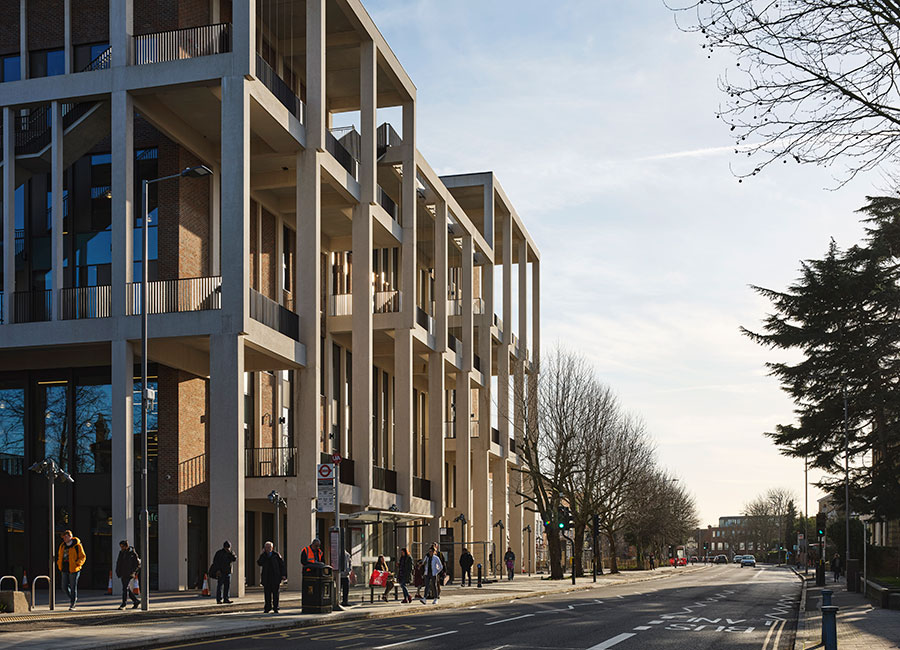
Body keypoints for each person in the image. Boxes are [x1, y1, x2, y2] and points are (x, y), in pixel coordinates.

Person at [57, 530, 86, 610]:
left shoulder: (77, 545)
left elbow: (83, 556)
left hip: (74, 569)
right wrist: (59, 564)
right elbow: (60, 556)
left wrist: (78, 564)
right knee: (64, 586)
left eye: (66, 537)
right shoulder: (62, 546)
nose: (64, 539)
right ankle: (73, 597)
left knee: (73, 586)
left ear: (70, 536)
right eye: (63, 537)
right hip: (64, 568)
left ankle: (72, 603)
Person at [257, 541, 286, 614]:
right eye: (266, 547)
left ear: (272, 548)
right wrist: (262, 554)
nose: (267, 549)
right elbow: (259, 563)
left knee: (276, 594)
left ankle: (276, 607)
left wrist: (283, 575)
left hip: (275, 577)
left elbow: (282, 565)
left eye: (269, 547)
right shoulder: (263, 556)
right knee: (267, 594)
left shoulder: (276, 555)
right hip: (266, 578)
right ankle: (267, 608)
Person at [114, 539, 140, 610]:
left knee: (125, 588)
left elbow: (137, 564)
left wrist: (133, 571)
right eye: (121, 546)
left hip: (129, 573)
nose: (121, 548)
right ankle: (136, 601)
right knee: (126, 588)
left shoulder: (132, 553)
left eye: (122, 546)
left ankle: (124, 604)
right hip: (123, 573)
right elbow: (119, 562)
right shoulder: (121, 553)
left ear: (126, 546)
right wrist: (118, 571)